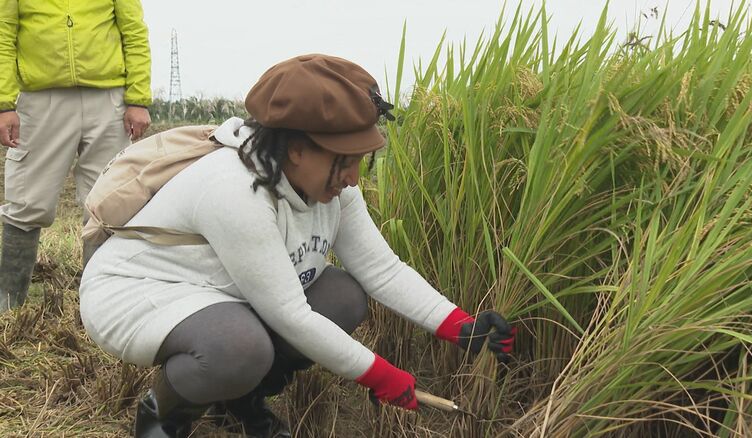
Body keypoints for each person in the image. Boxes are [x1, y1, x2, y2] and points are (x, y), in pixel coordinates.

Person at [78, 54, 515, 438]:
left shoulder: (334, 191)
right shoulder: (232, 190)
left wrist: (460, 326)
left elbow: (383, 270)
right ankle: (163, 417)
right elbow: (291, 315)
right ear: (297, 150)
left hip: (226, 294)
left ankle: (239, 401)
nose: (353, 178)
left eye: (360, 161)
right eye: (344, 161)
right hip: (142, 290)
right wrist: (381, 375)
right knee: (239, 347)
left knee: (342, 295)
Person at [0, 0, 152, 312]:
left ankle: (100, 306)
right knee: (27, 200)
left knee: (109, 203)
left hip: (109, 101)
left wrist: (138, 98)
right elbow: (3, 35)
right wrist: (4, 103)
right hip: (42, 101)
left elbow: (134, 33)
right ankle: (8, 302)